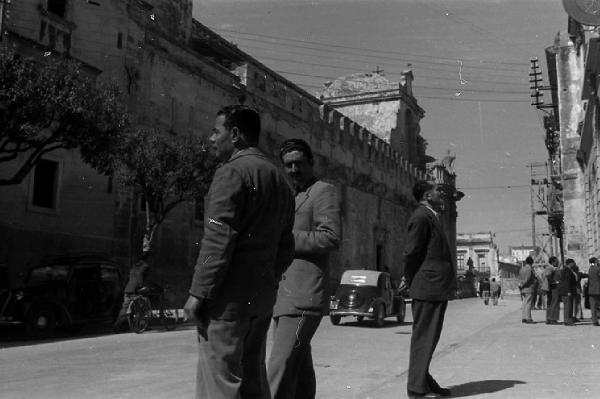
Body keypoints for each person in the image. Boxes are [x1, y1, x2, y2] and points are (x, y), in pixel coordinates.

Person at [184, 105, 295, 399]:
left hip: (227, 300)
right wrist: (268, 279)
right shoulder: (281, 181)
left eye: (215, 131)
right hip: (260, 298)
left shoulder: (231, 172)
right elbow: (286, 246)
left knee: (220, 382)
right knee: (253, 380)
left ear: (234, 134)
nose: (211, 139)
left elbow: (217, 239)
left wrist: (199, 292)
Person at [267, 138, 341, 399]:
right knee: (299, 370)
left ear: (311, 163)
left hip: (303, 295)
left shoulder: (323, 191)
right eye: (288, 165)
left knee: (280, 366)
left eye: (299, 163)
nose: (294, 169)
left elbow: (330, 236)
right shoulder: (293, 196)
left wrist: (284, 236)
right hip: (283, 295)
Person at [402, 180, 455, 399]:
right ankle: (416, 389)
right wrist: (407, 277)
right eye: (436, 191)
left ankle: (423, 380)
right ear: (426, 196)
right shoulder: (421, 217)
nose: (440, 194)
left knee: (430, 337)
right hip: (427, 285)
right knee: (424, 337)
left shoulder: (430, 215)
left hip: (434, 286)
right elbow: (412, 251)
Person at [113, 252, 150, 331]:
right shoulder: (145, 266)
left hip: (128, 289)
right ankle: (141, 324)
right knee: (142, 305)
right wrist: (143, 287)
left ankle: (116, 326)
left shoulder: (133, 267)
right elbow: (142, 279)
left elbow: (130, 278)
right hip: (136, 290)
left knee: (124, 309)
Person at [558, 258, 578, 326]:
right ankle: (567, 320)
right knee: (568, 306)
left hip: (567, 291)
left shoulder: (567, 270)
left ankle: (568, 319)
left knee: (569, 306)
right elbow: (567, 282)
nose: (574, 263)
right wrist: (568, 291)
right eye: (573, 262)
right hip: (567, 291)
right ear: (570, 263)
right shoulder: (567, 270)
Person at [518, 256, 536, 323]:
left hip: (523, 289)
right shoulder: (529, 269)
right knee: (528, 303)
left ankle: (524, 317)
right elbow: (527, 279)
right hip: (528, 288)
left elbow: (520, 278)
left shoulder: (522, 269)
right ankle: (528, 318)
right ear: (532, 262)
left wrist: (520, 285)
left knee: (524, 303)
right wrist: (523, 284)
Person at [544, 256, 561, 325]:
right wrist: (554, 282)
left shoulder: (550, 268)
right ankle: (553, 319)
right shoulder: (551, 268)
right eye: (557, 261)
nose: (558, 262)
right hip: (554, 287)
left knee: (550, 303)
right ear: (553, 262)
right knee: (554, 303)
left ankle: (549, 318)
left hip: (551, 287)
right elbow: (547, 275)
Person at [588, 257, 600, 326]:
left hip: (591, 290)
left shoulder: (590, 269)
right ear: (595, 261)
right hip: (598, 289)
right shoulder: (597, 269)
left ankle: (594, 321)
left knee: (593, 307)